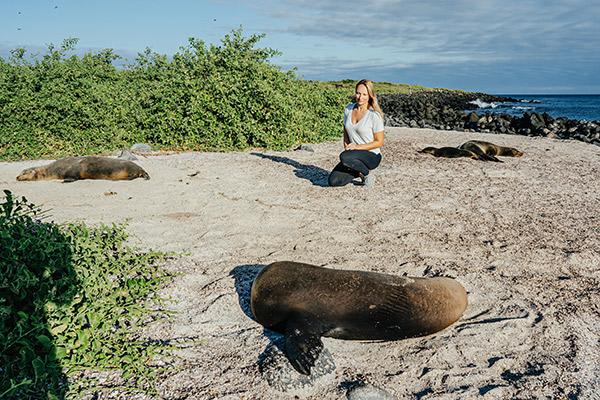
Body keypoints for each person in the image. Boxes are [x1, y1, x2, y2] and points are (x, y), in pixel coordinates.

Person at [328, 79, 384, 187]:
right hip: (353, 156)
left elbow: (379, 142)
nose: (360, 97)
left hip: (372, 155)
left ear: (370, 96)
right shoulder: (348, 109)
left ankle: (366, 174)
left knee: (344, 157)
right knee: (333, 181)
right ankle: (357, 170)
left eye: (364, 94)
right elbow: (346, 133)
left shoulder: (374, 115)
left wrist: (357, 147)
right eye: (358, 93)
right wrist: (347, 146)